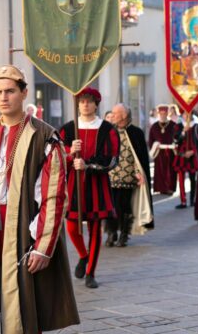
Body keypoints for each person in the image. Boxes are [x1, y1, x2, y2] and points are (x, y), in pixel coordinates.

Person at [0, 65, 79, 333]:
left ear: (24, 93)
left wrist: (43, 246)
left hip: (24, 232)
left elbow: (53, 196)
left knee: (21, 312)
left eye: (10, 91)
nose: (3, 97)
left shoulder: (44, 136)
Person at [59, 88, 119, 288]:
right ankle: (83, 256)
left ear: (96, 104)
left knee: (95, 229)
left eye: (89, 101)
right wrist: (70, 152)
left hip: (96, 185)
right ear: (77, 104)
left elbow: (111, 159)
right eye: (82, 101)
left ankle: (91, 273)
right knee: (71, 227)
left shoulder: (107, 129)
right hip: (73, 186)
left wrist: (88, 165)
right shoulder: (68, 129)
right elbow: (55, 155)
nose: (85, 104)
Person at [106, 104, 154, 247]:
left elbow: (140, 157)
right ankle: (111, 232)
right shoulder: (108, 131)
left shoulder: (136, 132)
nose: (112, 115)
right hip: (109, 176)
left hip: (128, 177)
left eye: (115, 113)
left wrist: (139, 173)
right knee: (110, 207)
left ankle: (124, 234)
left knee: (124, 207)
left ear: (124, 116)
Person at [149, 104, 177, 194]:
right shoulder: (154, 126)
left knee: (170, 171)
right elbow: (151, 139)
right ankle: (161, 188)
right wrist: (153, 146)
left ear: (167, 114)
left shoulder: (173, 125)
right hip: (159, 152)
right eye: (161, 114)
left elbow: (177, 137)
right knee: (159, 170)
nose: (163, 115)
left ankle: (170, 188)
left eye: (164, 113)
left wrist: (175, 144)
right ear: (158, 114)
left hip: (170, 152)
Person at [173, 111, 198, 209]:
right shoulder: (178, 126)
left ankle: (193, 200)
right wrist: (183, 132)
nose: (187, 116)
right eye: (185, 114)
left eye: (189, 114)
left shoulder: (196, 126)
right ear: (182, 115)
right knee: (181, 179)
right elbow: (176, 140)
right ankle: (183, 201)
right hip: (182, 155)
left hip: (192, 154)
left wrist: (193, 151)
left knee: (193, 178)